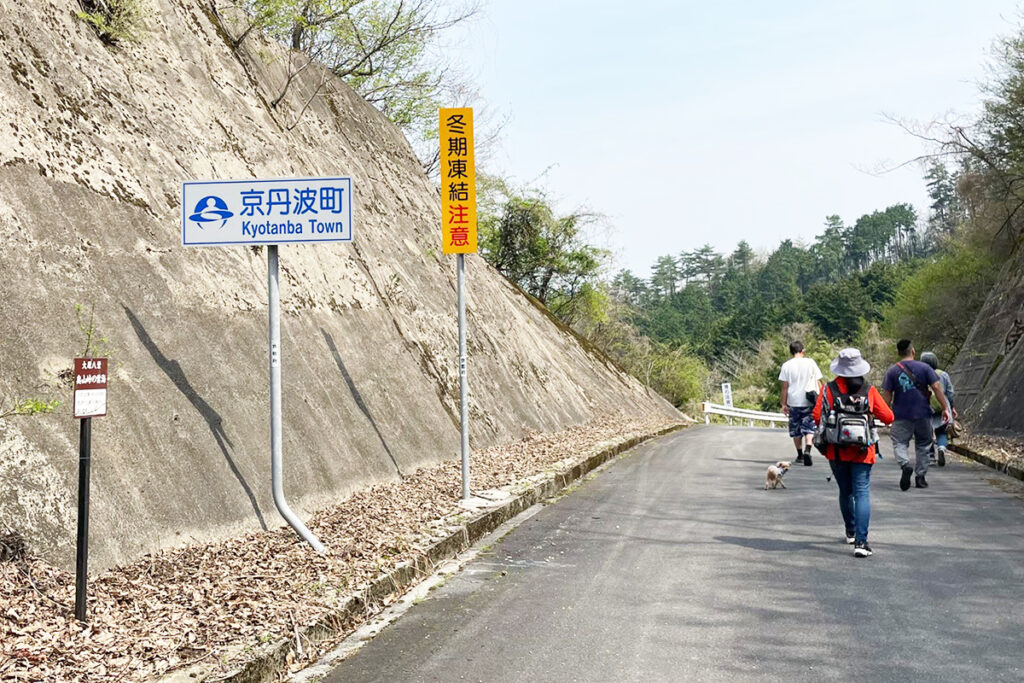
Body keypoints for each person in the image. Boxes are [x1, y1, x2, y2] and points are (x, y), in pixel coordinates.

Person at [814, 348, 893, 557]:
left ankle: (850, 531)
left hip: (836, 451)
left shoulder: (829, 390)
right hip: (863, 452)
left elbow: (816, 416)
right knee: (862, 493)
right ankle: (861, 542)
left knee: (845, 491)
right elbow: (889, 417)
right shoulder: (869, 390)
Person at [881, 340, 951, 491]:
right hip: (923, 413)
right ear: (912, 351)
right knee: (924, 445)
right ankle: (920, 477)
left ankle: (905, 464)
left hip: (900, 415)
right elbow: (937, 388)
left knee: (899, 442)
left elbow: (887, 396)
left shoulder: (892, 371)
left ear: (899, 353)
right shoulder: (925, 368)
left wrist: (884, 415)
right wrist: (945, 407)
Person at [779, 340, 823, 466]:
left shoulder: (786, 365)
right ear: (803, 351)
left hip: (793, 401)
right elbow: (818, 382)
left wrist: (783, 404)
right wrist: (821, 400)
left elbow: (784, 387)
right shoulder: (811, 362)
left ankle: (800, 455)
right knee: (810, 427)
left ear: (791, 352)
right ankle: (808, 449)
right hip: (809, 401)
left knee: (796, 429)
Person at [920, 351, 957, 467]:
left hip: (926, 407)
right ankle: (941, 448)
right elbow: (950, 393)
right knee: (942, 430)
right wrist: (951, 406)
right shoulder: (943, 374)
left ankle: (930, 456)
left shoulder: (919, 375)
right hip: (942, 407)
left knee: (927, 432)